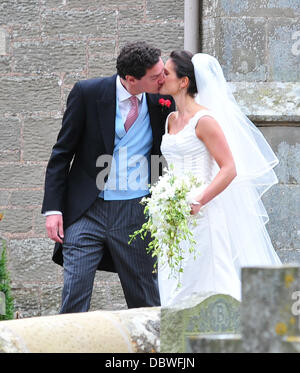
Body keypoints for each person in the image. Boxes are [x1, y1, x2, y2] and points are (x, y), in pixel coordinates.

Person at [41, 41, 175, 313]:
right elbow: (61, 153)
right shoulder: (88, 93)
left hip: (135, 210)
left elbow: (163, 154)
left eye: (162, 72)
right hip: (86, 210)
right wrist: (53, 209)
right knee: (74, 292)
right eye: (156, 76)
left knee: (145, 297)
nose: (163, 78)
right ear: (131, 79)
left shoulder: (163, 100)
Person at [157, 50, 282, 305]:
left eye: (166, 73)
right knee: (175, 284)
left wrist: (198, 200)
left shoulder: (204, 121)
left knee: (212, 286)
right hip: (172, 218)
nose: (160, 77)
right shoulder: (170, 119)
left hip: (202, 215)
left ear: (183, 82)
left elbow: (229, 168)